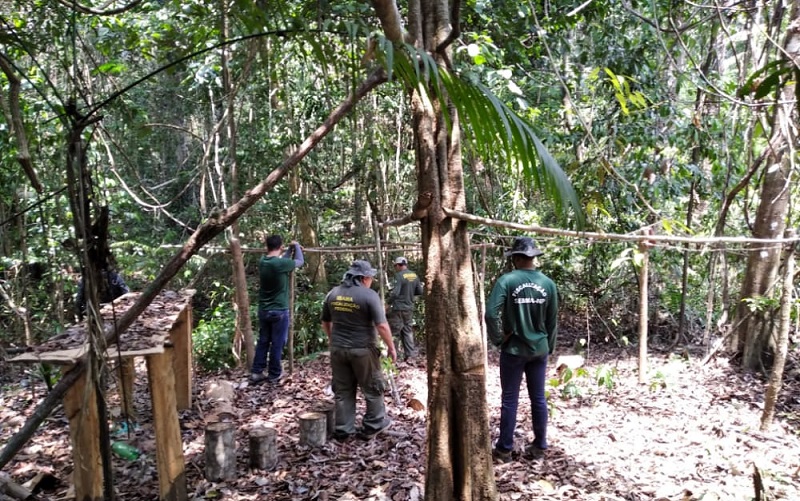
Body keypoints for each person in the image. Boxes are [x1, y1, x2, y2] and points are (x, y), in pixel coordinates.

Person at [484, 236, 558, 463]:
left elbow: (490, 314)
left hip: (514, 350)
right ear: (533, 257)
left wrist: (498, 340)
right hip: (539, 350)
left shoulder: (507, 281)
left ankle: (504, 449)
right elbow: (552, 320)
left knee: (509, 399)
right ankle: (539, 447)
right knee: (538, 398)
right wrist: (549, 347)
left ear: (516, 258)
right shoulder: (548, 284)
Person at [321, 260, 396, 440]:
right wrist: (391, 347)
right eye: (370, 277)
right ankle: (374, 424)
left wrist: (333, 340)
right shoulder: (369, 295)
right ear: (363, 278)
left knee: (343, 390)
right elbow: (382, 325)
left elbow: (325, 322)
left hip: (338, 350)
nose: (371, 281)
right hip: (363, 349)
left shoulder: (333, 294)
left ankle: (343, 430)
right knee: (372, 387)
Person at [250, 235, 304, 384]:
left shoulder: (263, 261)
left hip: (264, 310)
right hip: (279, 310)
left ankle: (257, 372)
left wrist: (292, 249)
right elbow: (299, 261)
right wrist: (297, 246)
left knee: (263, 341)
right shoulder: (280, 264)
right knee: (277, 343)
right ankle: (274, 374)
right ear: (281, 247)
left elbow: (282, 261)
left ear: (267, 247)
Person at [386, 256, 423, 362]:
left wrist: (388, 303)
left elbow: (395, 293)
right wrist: (409, 293)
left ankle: (392, 357)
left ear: (398, 265)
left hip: (398, 308)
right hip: (409, 307)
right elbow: (419, 291)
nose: (395, 268)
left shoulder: (399, 276)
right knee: (407, 331)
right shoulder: (414, 275)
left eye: (395, 266)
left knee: (395, 333)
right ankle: (410, 357)